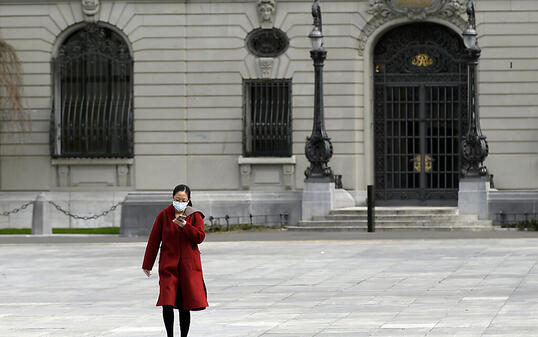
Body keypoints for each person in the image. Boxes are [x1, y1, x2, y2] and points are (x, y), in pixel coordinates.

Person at [142, 184, 208, 337]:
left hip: (188, 267)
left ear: (188, 200)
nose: (180, 202)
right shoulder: (164, 215)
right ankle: (169, 335)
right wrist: (147, 265)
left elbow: (200, 237)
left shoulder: (194, 215)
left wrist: (186, 226)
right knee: (167, 303)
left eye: (183, 200)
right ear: (172, 198)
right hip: (168, 266)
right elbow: (154, 241)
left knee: (185, 305)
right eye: (177, 199)